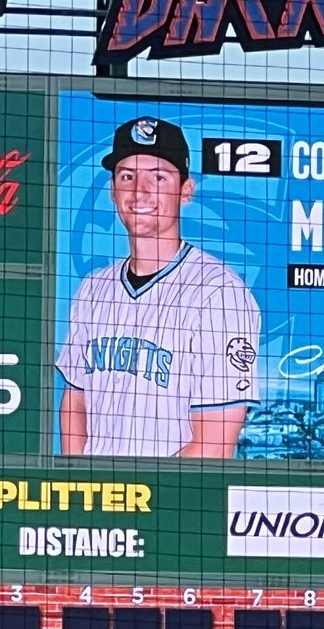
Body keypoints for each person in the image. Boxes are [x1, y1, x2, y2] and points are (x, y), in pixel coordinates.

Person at [57, 116, 261, 457]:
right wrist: (79, 488)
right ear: (112, 190)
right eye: (127, 176)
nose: (140, 192)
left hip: (170, 502)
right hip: (93, 498)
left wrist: (148, 501)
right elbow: (74, 405)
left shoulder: (219, 292)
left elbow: (215, 441)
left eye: (159, 177)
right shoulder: (93, 289)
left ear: (186, 191)